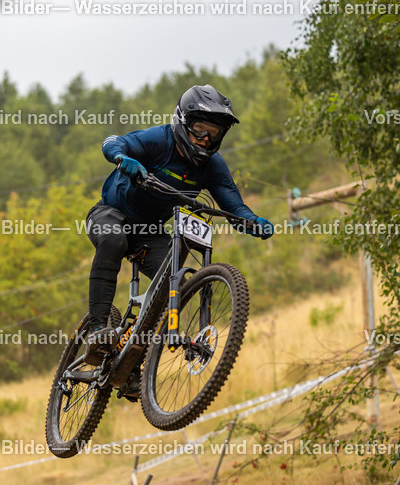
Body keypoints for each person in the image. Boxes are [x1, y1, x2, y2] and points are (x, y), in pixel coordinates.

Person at [84, 84, 274, 366]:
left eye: (214, 133)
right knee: (113, 240)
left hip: (148, 232)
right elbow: (113, 142)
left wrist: (253, 221)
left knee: (174, 283)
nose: (206, 139)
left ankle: (134, 361)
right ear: (182, 122)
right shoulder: (159, 140)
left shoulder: (213, 166)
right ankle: (98, 329)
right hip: (109, 214)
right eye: (200, 130)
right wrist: (123, 158)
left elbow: (234, 207)